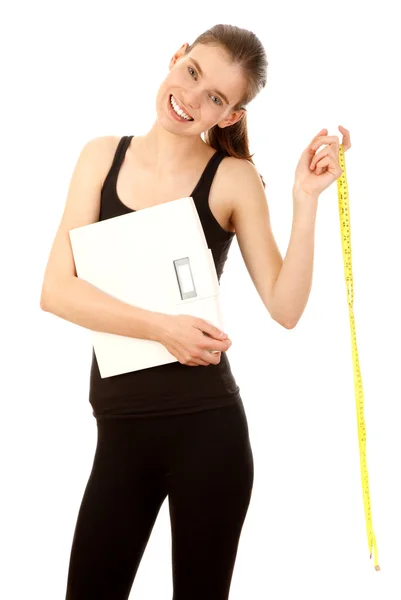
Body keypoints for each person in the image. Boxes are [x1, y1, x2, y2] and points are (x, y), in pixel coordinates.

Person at [40, 22, 350, 600]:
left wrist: (304, 203)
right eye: (193, 72)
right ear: (176, 56)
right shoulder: (99, 158)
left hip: (208, 434)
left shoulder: (231, 180)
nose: (192, 97)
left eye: (216, 98)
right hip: (119, 433)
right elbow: (56, 290)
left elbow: (285, 308)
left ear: (228, 117)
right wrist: (163, 330)